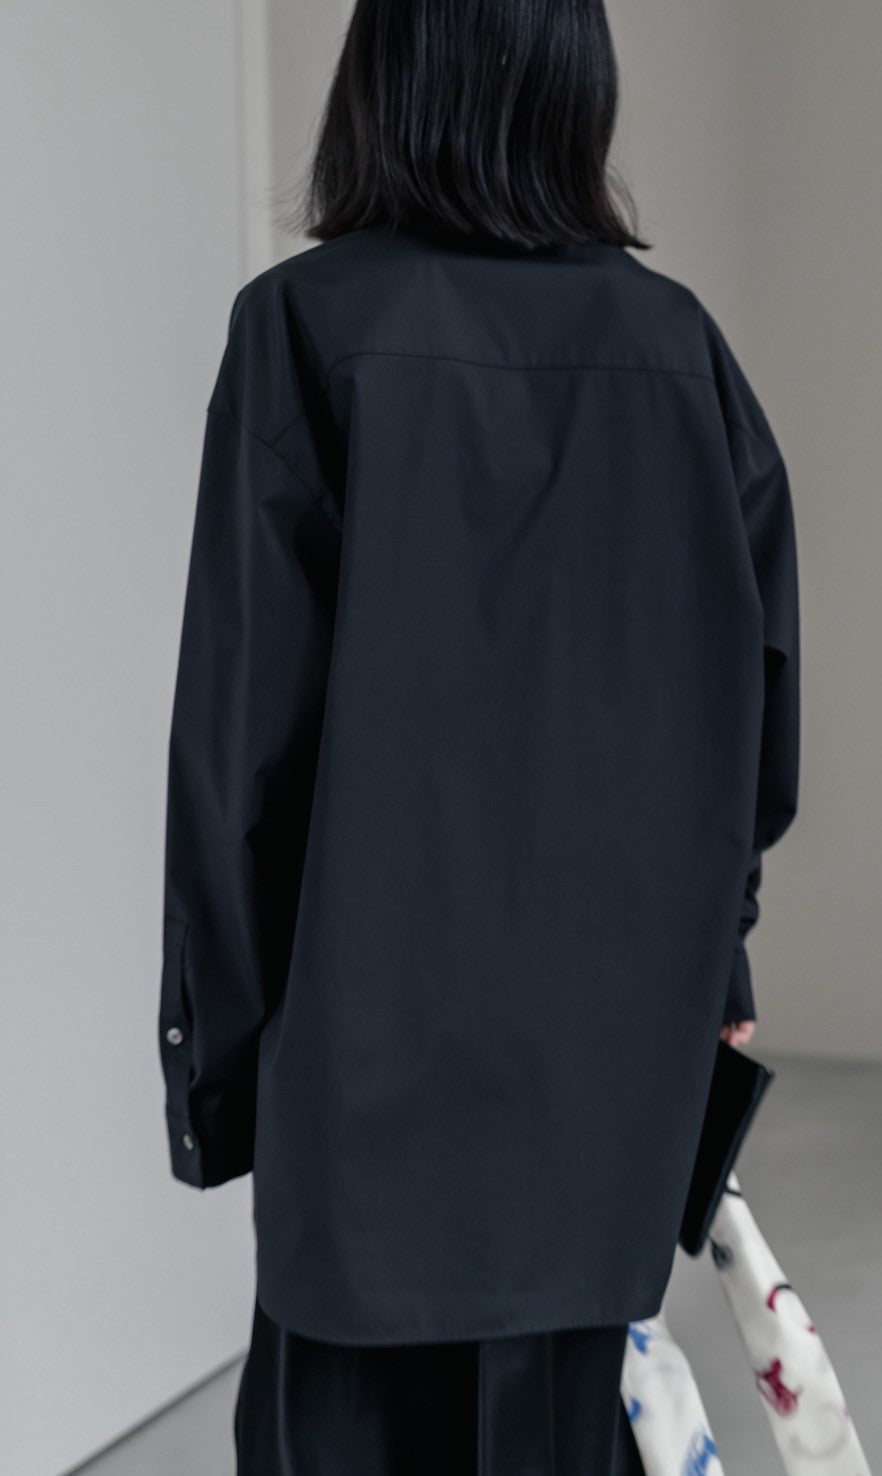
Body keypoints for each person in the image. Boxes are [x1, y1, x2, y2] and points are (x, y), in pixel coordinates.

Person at [155, 0, 800, 1470]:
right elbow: (750, 718)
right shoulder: (679, 350)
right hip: (604, 1098)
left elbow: (239, 752)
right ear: (577, 83)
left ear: (380, 77)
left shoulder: (304, 328)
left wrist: (226, 1076)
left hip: (363, 1091)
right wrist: (716, 965)